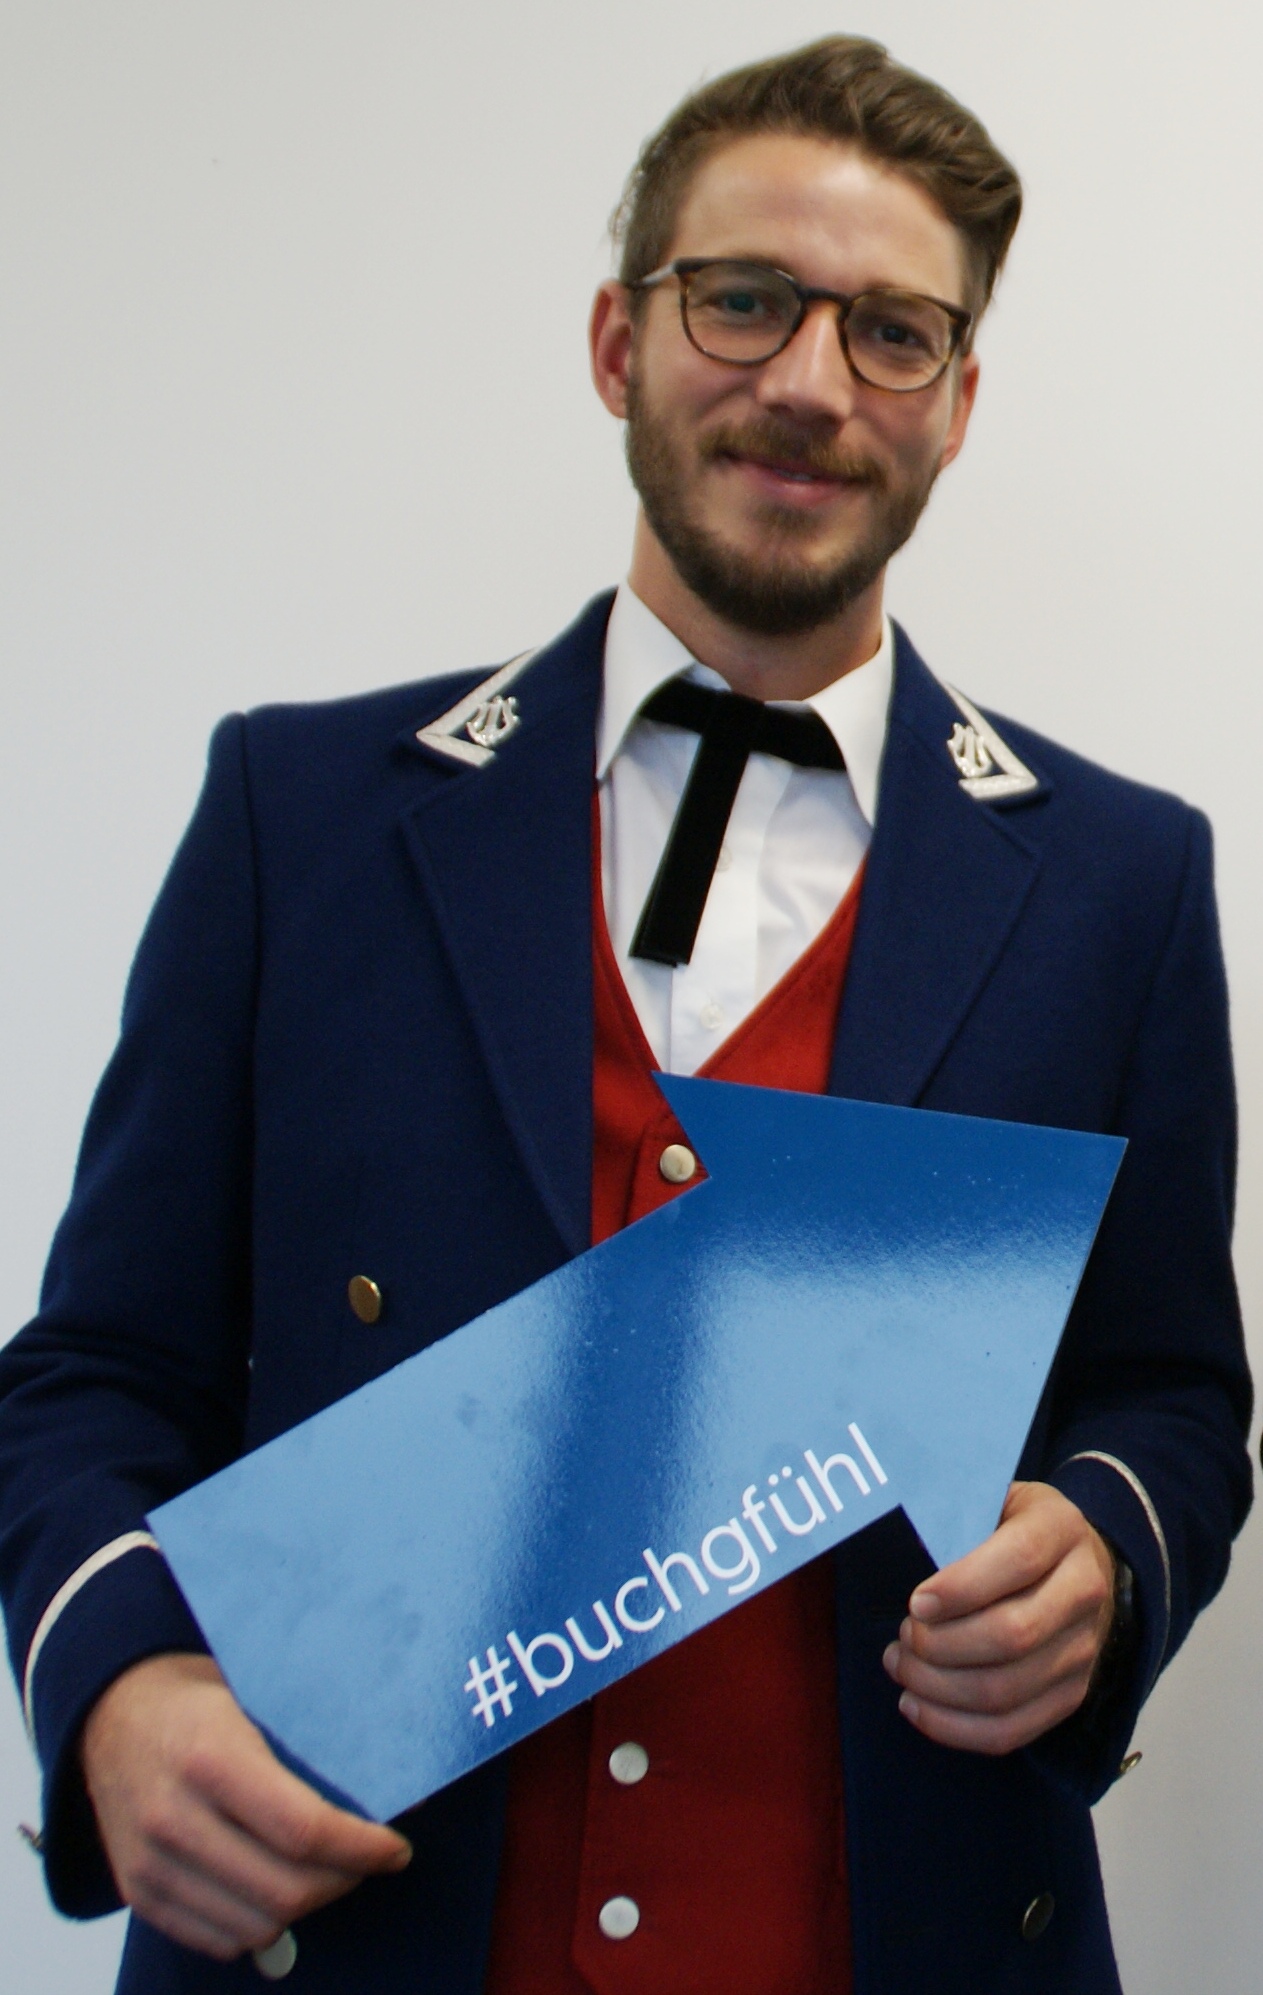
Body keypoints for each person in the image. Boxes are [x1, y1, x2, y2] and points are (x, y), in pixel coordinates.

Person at [0, 34, 1250, 1995]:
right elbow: (95, 1368)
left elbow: (1169, 1394)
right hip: (352, 1936)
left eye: (893, 333)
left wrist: (1103, 1545)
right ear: (618, 341)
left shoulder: (1117, 881)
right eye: (743, 300)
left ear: (957, 404)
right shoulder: (298, 818)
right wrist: (122, 1677)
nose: (811, 383)